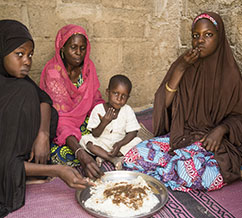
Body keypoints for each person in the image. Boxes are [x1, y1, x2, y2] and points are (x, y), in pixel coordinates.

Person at [123, 12, 242, 191]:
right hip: (183, 135)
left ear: (220, 37)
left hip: (213, 144)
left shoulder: (231, 75)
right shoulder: (186, 64)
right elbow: (165, 105)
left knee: (200, 174)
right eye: (196, 36)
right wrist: (180, 69)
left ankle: (167, 169)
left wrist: (221, 130)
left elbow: (239, 117)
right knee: (133, 155)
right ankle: (172, 168)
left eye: (208, 35)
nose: (200, 40)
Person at [0, 20, 92, 217]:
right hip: (4, 162)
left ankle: (27, 169)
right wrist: (57, 170)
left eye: (29, 55)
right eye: (19, 54)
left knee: (47, 111)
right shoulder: (17, 91)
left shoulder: (17, 79)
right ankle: (22, 174)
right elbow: (4, 162)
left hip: (12, 152)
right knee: (26, 95)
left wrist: (42, 135)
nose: (27, 61)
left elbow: (45, 100)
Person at [40, 24, 104, 179]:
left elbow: (95, 99)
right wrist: (80, 152)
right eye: (73, 47)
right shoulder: (53, 72)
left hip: (84, 120)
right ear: (62, 48)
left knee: (110, 131)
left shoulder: (88, 68)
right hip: (61, 123)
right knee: (60, 152)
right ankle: (86, 152)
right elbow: (59, 117)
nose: (78, 53)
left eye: (82, 48)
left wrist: (104, 119)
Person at [79, 74, 142, 169]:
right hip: (102, 143)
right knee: (86, 141)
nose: (119, 99)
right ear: (107, 92)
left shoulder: (127, 110)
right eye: (115, 93)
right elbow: (95, 134)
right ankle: (113, 159)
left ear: (128, 98)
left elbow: (133, 132)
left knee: (138, 141)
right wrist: (104, 122)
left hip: (120, 145)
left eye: (123, 96)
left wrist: (119, 144)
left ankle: (104, 156)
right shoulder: (98, 109)